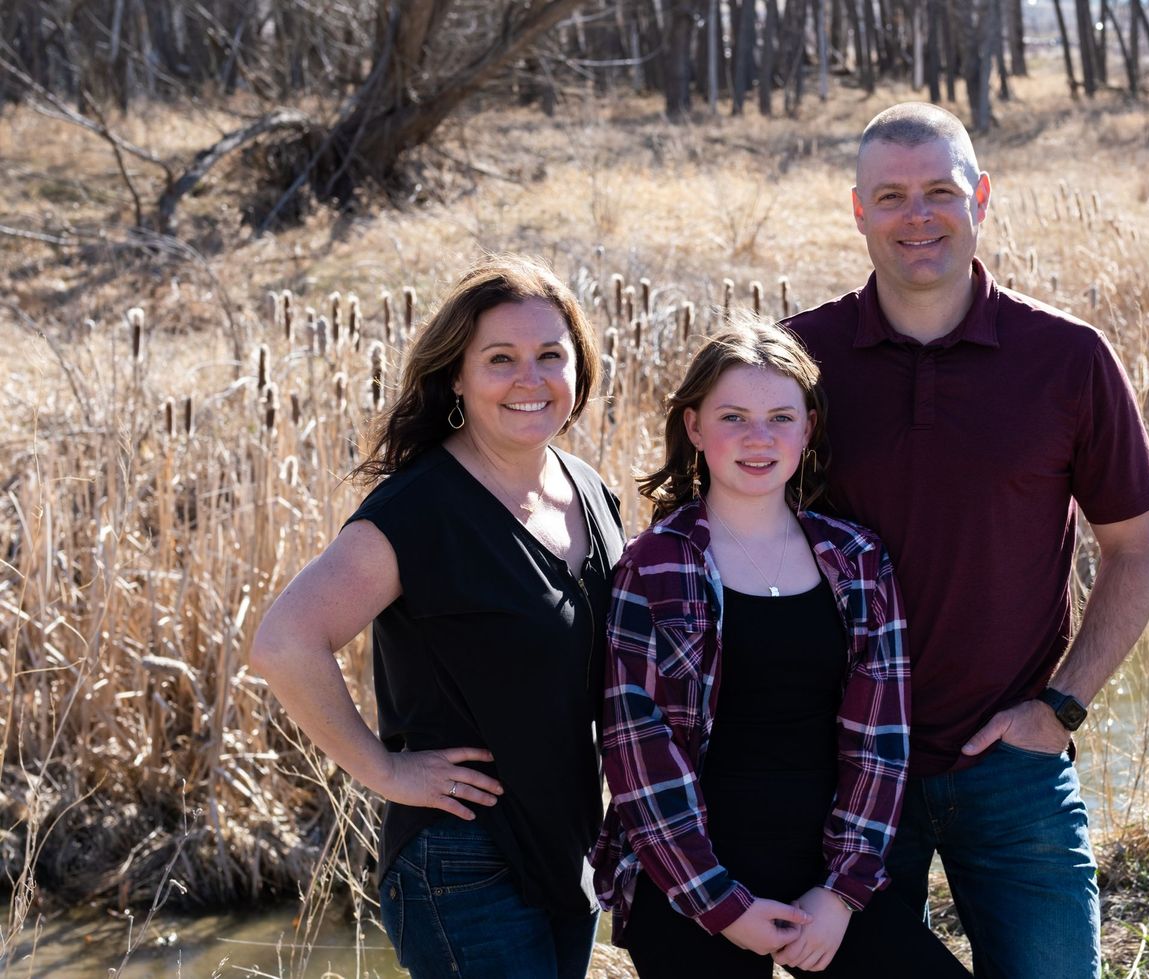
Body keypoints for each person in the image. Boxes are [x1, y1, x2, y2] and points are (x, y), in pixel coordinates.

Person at [784, 103, 1149, 979]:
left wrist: (1060, 708)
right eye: (891, 196)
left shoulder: (1067, 357)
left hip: (1012, 765)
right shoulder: (798, 360)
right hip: (847, 767)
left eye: (940, 191)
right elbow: (728, 539)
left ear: (981, 198)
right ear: (858, 210)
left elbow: (1138, 548)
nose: (916, 215)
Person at [250, 255, 624, 979]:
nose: (530, 378)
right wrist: (384, 770)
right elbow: (284, 641)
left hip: (569, 845)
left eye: (551, 355)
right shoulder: (421, 509)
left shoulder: (588, 490)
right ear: (456, 375)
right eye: (500, 359)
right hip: (464, 860)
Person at [590, 317, 971, 979]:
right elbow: (637, 751)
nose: (758, 438)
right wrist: (721, 904)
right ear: (694, 427)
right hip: (688, 877)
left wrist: (841, 892)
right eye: (733, 417)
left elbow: (880, 742)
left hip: (823, 869)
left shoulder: (857, 559)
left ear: (809, 428)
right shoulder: (654, 565)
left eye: (780, 418)